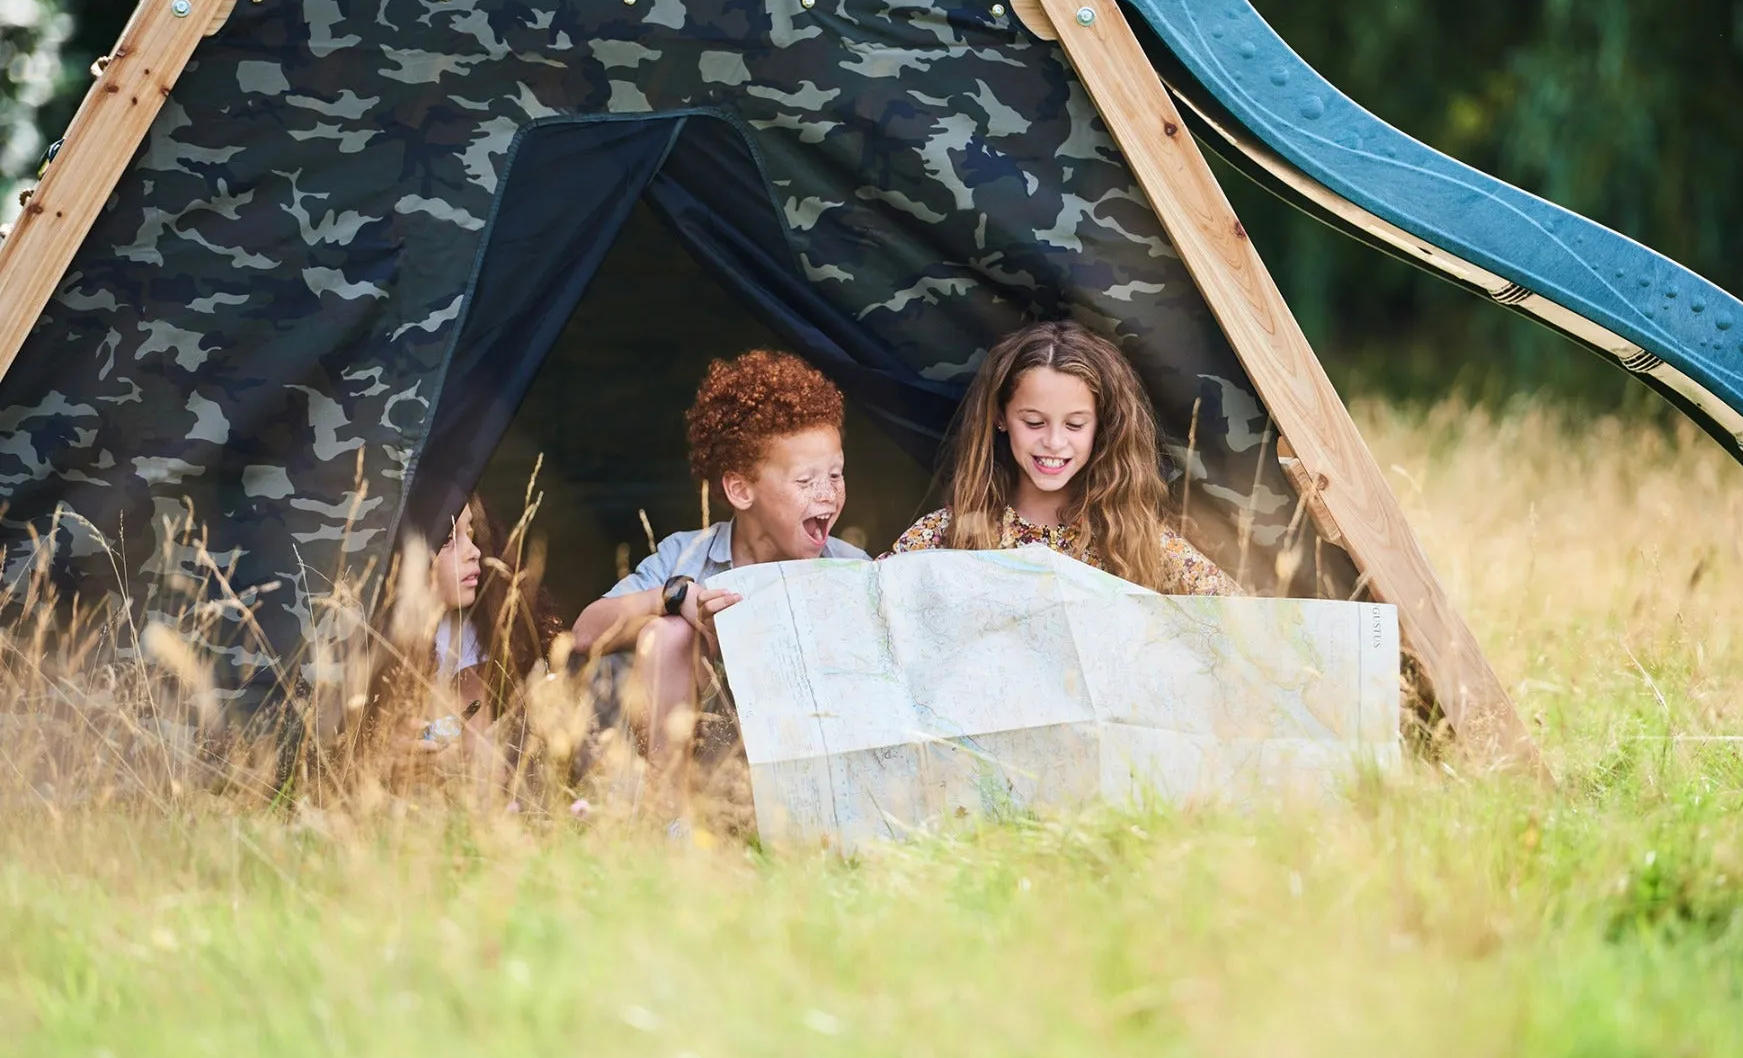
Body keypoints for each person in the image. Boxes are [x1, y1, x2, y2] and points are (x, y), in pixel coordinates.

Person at [571, 350, 867, 804]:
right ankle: (667, 820)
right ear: (741, 489)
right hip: (701, 770)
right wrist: (676, 599)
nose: (828, 494)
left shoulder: (850, 569)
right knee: (667, 633)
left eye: (836, 474)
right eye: (805, 482)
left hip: (805, 779)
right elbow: (586, 632)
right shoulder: (687, 556)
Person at [888, 320, 1236, 595]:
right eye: (1034, 422)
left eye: (1074, 424)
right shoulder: (947, 536)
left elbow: (1245, 625)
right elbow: (858, 608)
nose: (1054, 442)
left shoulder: (1140, 542)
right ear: (999, 416)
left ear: (1102, 426)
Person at [361, 493, 562, 799]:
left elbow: (476, 743)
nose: (473, 552)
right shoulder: (365, 633)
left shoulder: (468, 631)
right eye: (448, 540)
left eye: (469, 535)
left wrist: (439, 759)